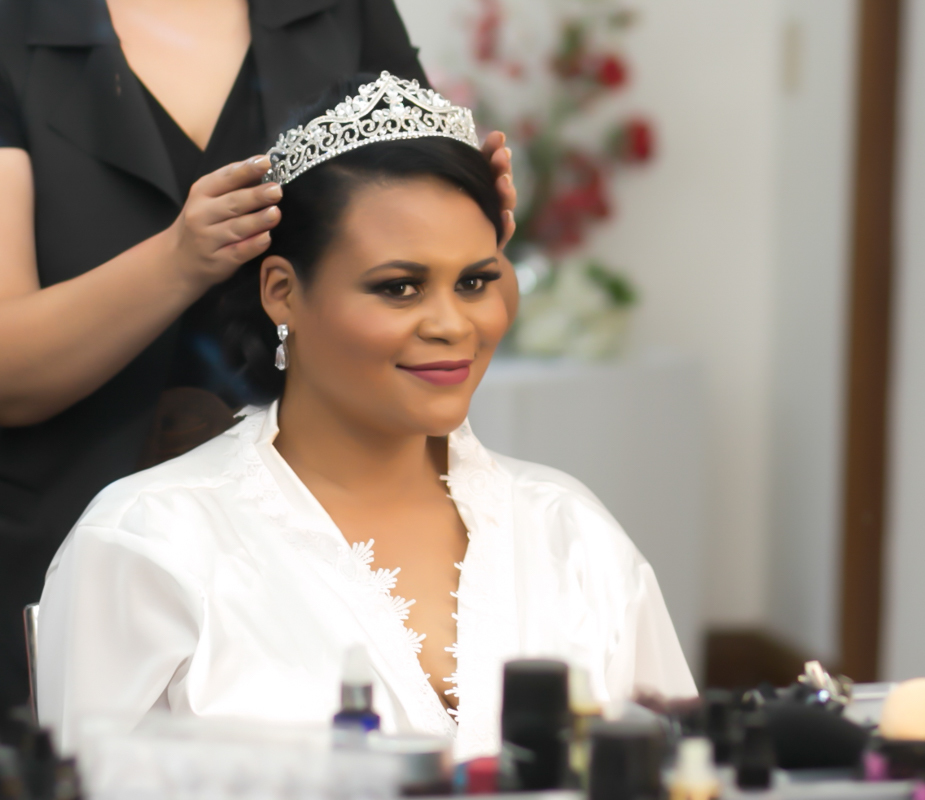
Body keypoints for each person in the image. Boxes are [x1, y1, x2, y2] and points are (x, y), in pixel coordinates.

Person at [36, 74, 696, 761]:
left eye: (474, 281)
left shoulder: (571, 534)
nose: (452, 325)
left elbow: (682, 771)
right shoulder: (149, 545)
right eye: (400, 287)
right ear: (282, 292)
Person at [0, 0, 518, 713]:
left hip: (331, 515)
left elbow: (435, 237)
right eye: (402, 288)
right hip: (70, 510)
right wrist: (180, 260)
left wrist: (462, 230)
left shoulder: (341, 12)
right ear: (279, 292)